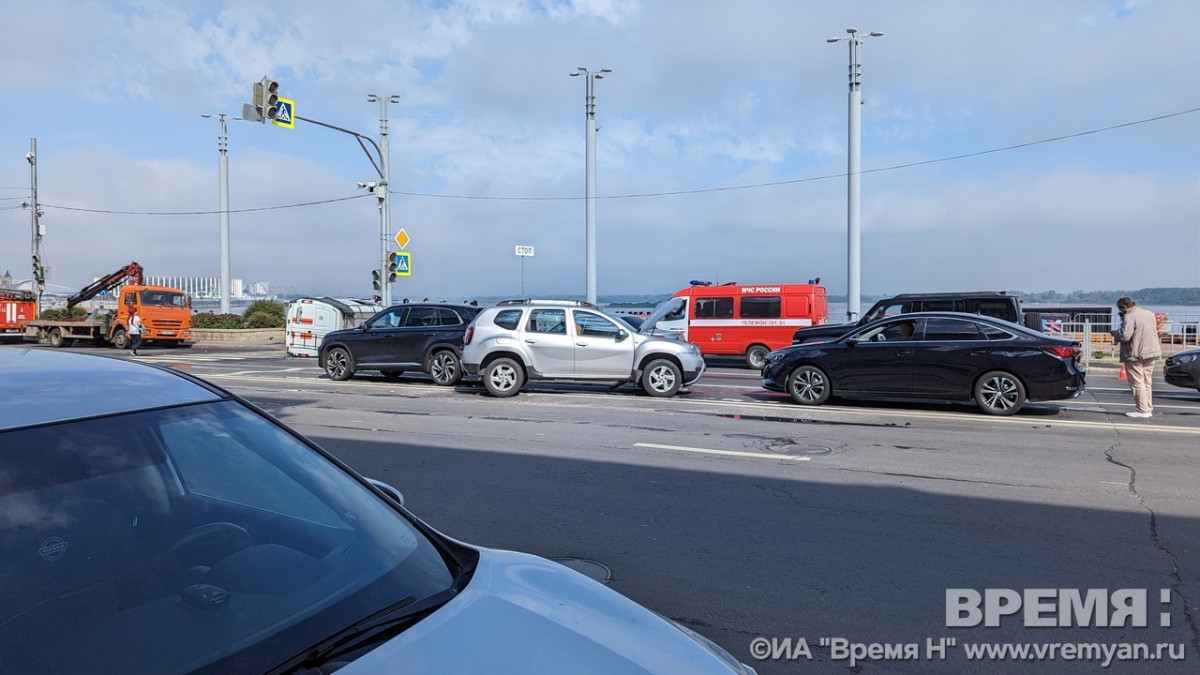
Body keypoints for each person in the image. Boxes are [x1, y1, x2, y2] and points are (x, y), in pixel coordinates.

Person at [1112, 297, 1161, 418]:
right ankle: (1148, 408)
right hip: (1151, 351)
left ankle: (1142, 410)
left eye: (1121, 310)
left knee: (1137, 382)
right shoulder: (1149, 313)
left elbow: (1125, 336)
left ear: (1124, 307)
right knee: (1147, 381)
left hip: (1135, 353)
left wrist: (1115, 334)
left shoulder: (1129, 316)